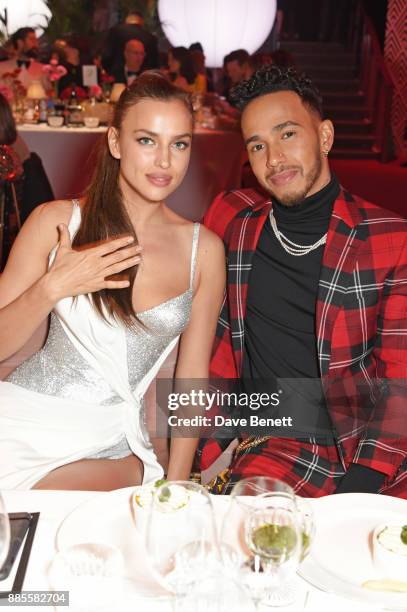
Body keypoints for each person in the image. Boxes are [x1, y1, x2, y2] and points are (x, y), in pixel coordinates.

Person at [0, 72, 225, 490]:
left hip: (111, 439)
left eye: (179, 144)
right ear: (116, 142)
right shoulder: (57, 221)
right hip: (21, 421)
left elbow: (191, 379)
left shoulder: (204, 251)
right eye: (146, 140)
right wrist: (52, 287)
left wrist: (176, 487)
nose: (164, 161)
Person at [199, 65, 407, 498]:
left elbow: (401, 379)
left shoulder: (391, 239)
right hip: (279, 435)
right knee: (252, 539)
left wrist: (361, 489)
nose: (274, 158)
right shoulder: (232, 221)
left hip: (374, 442)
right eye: (258, 145)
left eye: (287, 134)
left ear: (325, 137)